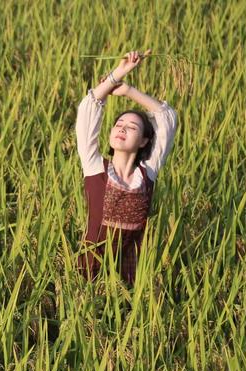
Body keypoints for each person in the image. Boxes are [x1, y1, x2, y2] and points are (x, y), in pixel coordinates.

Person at [75, 48, 178, 286]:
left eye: (131, 127)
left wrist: (129, 91)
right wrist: (116, 75)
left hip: (131, 274)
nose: (122, 128)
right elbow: (88, 110)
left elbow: (167, 117)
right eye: (119, 124)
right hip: (90, 272)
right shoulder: (95, 167)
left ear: (144, 141)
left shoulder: (147, 173)